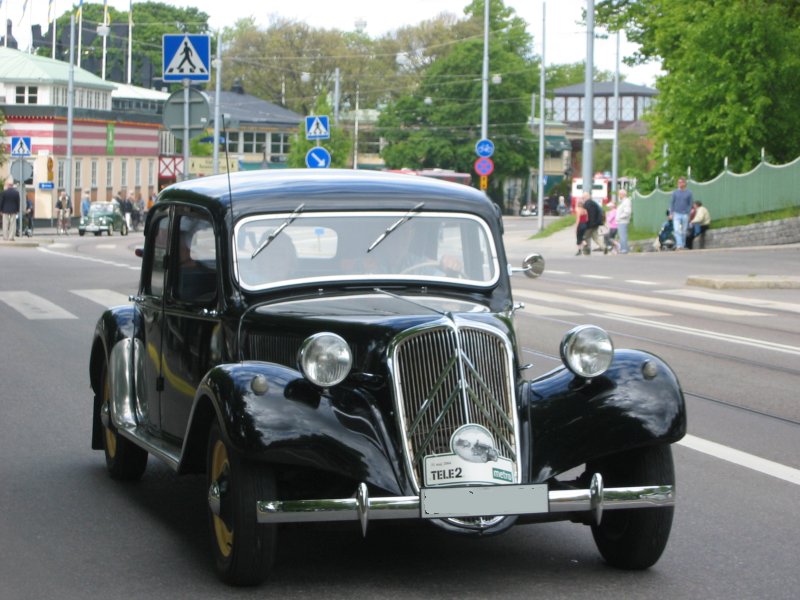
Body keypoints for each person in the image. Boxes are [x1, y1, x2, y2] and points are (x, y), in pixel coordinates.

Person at [670, 176, 693, 249]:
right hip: (676, 214)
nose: (679, 184)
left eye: (681, 182)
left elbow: (690, 204)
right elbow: (672, 203)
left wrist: (688, 213)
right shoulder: (675, 193)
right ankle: (679, 245)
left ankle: (682, 245)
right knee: (677, 230)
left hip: (685, 214)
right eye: (678, 182)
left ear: (684, 183)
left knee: (684, 231)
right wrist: (671, 213)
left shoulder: (689, 193)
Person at [616, 189, 632, 254]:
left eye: (619, 194)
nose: (619, 195)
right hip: (621, 221)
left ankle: (624, 249)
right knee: (621, 235)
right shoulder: (623, 201)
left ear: (623, 194)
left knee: (623, 235)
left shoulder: (626, 201)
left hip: (623, 221)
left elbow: (627, 212)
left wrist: (620, 217)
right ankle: (623, 248)